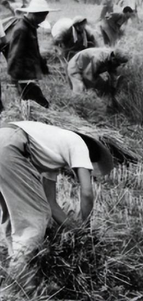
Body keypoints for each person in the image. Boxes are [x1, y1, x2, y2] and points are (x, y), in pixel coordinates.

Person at [0, 121, 113, 298]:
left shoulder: (51, 151)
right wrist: (85, 227)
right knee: (34, 219)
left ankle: (14, 269)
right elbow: (87, 194)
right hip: (10, 144)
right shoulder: (80, 144)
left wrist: (74, 230)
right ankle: (17, 289)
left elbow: (50, 202)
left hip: (5, 137)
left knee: (12, 216)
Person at [2, 0, 59, 109]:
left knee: (30, 102)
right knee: (40, 102)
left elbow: (35, 51)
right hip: (22, 75)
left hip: (28, 74)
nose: (43, 20)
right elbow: (15, 54)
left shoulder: (30, 28)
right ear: (35, 15)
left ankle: (32, 118)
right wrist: (16, 77)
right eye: (42, 17)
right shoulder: (22, 29)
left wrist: (43, 67)